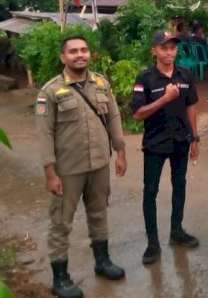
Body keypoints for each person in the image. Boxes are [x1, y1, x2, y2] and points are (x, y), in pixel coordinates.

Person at [35, 36, 127, 298]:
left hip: (99, 163)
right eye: (73, 51)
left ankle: (103, 261)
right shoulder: (50, 92)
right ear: (63, 57)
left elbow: (114, 117)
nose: (80, 55)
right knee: (61, 222)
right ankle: (61, 277)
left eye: (84, 50)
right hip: (68, 169)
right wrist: (49, 172)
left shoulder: (100, 83)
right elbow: (44, 134)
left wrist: (120, 150)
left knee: (98, 213)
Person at [130, 31, 200, 266]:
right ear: (154, 51)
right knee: (150, 191)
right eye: (164, 48)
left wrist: (195, 137)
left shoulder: (185, 74)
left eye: (172, 48)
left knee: (180, 186)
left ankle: (176, 231)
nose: (169, 52)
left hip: (181, 140)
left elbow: (191, 106)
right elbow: (138, 114)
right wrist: (164, 99)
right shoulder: (145, 79)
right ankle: (152, 243)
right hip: (155, 143)